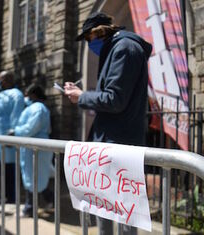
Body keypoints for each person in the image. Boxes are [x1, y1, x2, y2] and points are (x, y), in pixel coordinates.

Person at [64, 12, 152, 235]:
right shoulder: (116, 49)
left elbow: (115, 100)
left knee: (123, 215)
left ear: (98, 32)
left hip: (120, 147)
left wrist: (82, 96)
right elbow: (113, 101)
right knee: (105, 209)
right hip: (112, 143)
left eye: (88, 38)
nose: (88, 44)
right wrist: (83, 96)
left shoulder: (124, 49)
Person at [12, 84, 53, 217]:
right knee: (36, 176)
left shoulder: (38, 109)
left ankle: (29, 208)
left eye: (27, 94)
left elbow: (31, 127)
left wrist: (15, 132)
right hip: (32, 147)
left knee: (33, 177)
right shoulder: (37, 108)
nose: (25, 97)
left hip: (35, 147)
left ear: (33, 95)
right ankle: (49, 200)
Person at [0, 71, 24, 203]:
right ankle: (1, 193)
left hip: (6, 137)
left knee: (8, 169)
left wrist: (12, 134)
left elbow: (16, 115)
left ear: (9, 80)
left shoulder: (16, 94)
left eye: (2, 80)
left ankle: (11, 196)